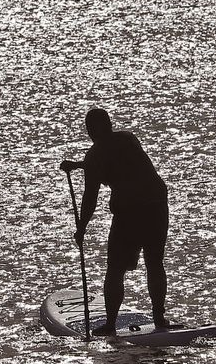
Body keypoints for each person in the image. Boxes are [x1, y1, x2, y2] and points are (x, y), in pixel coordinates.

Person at [61, 108, 176, 334]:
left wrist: (81, 228)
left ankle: (111, 325)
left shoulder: (95, 156)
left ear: (91, 131)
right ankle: (159, 318)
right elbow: (116, 162)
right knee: (154, 262)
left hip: (131, 213)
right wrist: (79, 165)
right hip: (156, 206)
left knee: (115, 268)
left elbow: (90, 198)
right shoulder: (128, 139)